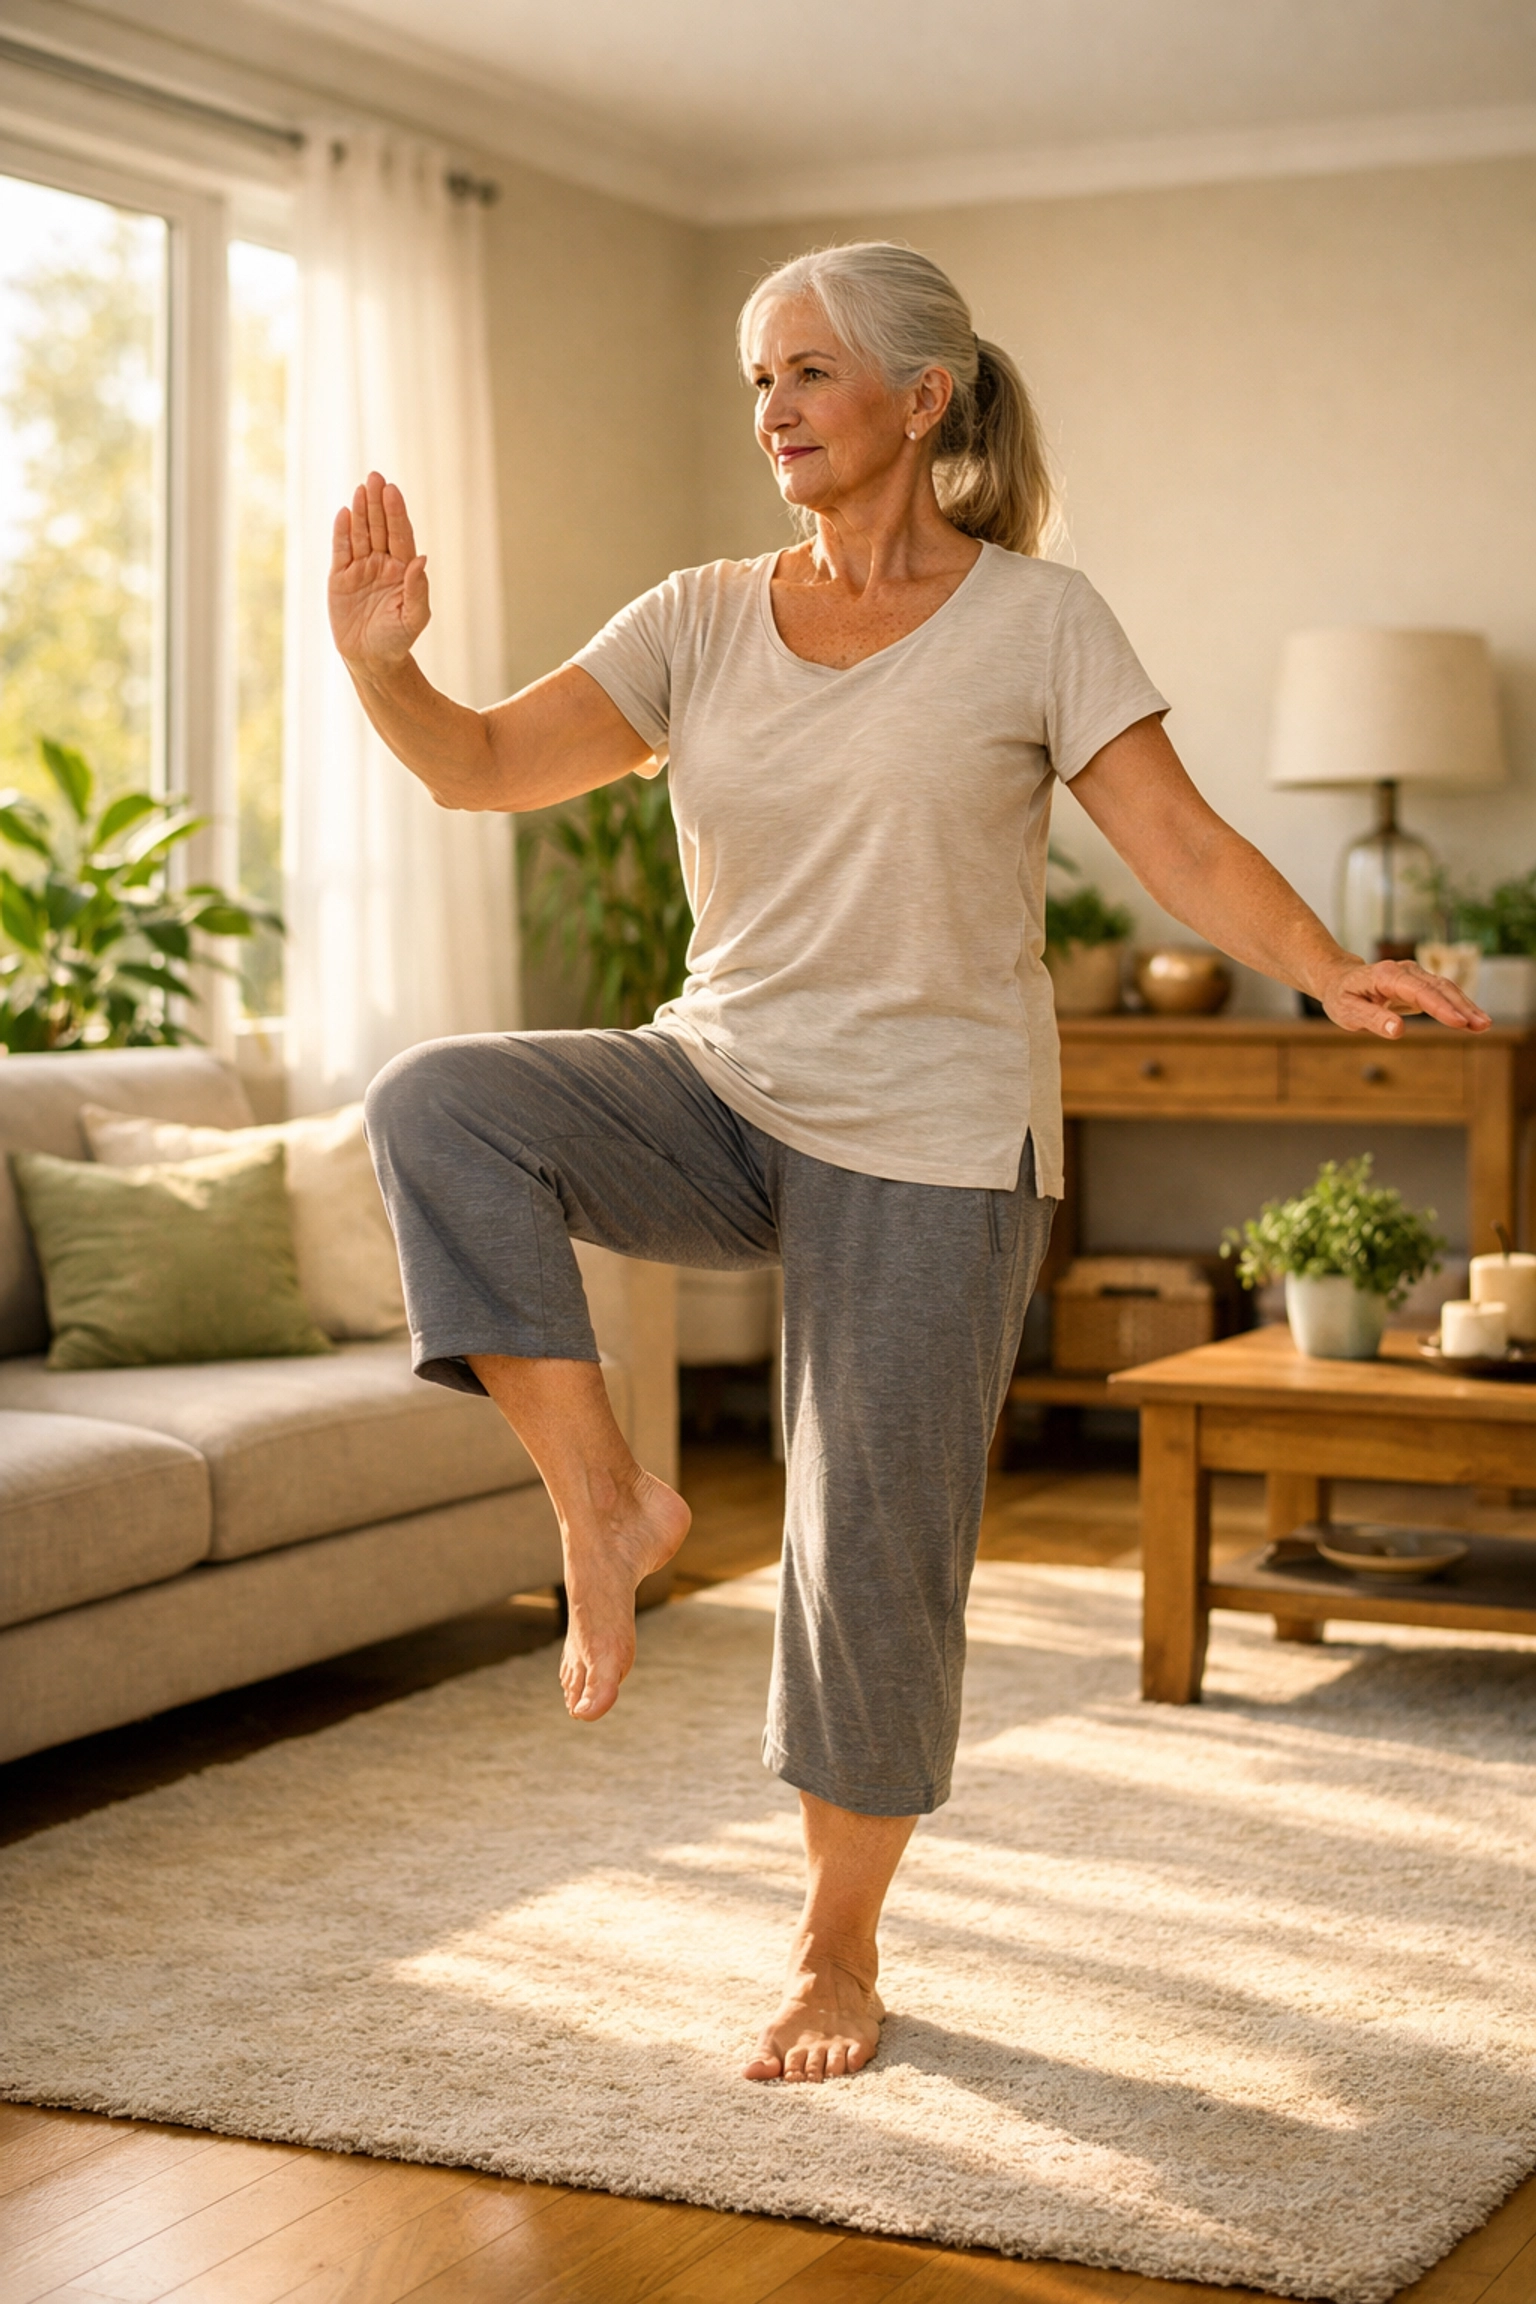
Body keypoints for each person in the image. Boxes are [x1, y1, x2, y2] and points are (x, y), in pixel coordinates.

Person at [329, 241, 1487, 2087]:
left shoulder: (1037, 619)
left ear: (919, 399)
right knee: (440, 1102)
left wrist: (1329, 965)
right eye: (757, 383)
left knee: (864, 1551)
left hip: (942, 1137)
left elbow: (1177, 844)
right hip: (719, 1083)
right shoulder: (699, 616)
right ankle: (606, 1506)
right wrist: (386, 671)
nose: (772, 412)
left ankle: (834, 1946)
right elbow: (473, 767)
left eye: (805, 375)